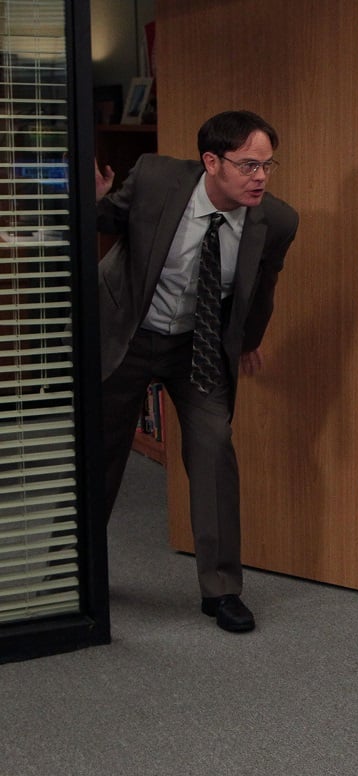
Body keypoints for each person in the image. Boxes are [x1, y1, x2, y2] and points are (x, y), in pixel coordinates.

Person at [95, 110, 299, 633]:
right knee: (100, 454)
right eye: (248, 165)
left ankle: (222, 590)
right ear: (211, 161)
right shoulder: (156, 178)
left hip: (197, 344)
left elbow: (262, 291)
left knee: (214, 450)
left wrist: (248, 342)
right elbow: (107, 220)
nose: (261, 177)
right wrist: (94, 199)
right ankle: (74, 573)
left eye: (268, 165)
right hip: (129, 332)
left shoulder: (277, 221)